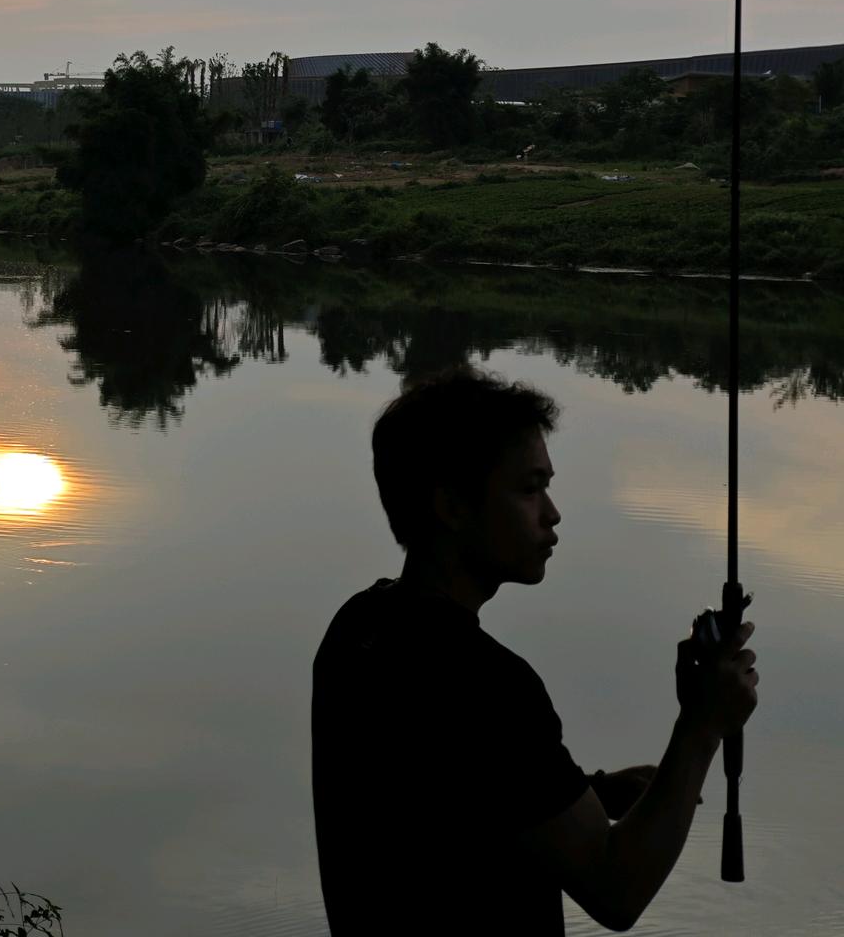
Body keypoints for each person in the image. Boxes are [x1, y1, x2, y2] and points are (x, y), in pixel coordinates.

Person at [311, 367, 759, 934]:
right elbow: (617, 890)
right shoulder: (488, 685)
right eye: (529, 488)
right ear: (451, 506)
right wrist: (702, 727)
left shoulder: (357, 629)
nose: (552, 512)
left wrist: (592, 794)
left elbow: (442, 795)